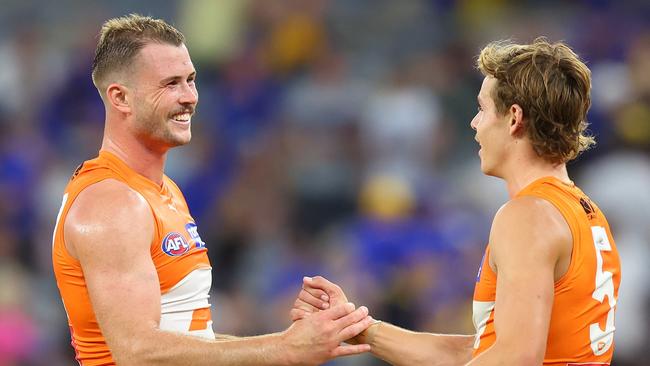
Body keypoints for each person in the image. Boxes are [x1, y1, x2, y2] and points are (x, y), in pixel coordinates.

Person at [52, 14, 374, 366]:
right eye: (170, 84)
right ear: (121, 98)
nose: (190, 97)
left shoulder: (164, 191)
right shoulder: (112, 203)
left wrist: (290, 341)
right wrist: (283, 350)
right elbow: (138, 352)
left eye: (191, 80)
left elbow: (191, 339)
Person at [293, 38, 622, 365]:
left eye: (482, 109)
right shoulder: (584, 214)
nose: (474, 124)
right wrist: (362, 329)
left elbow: (516, 357)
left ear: (514, 118)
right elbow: (481, 352)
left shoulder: (527, 216)